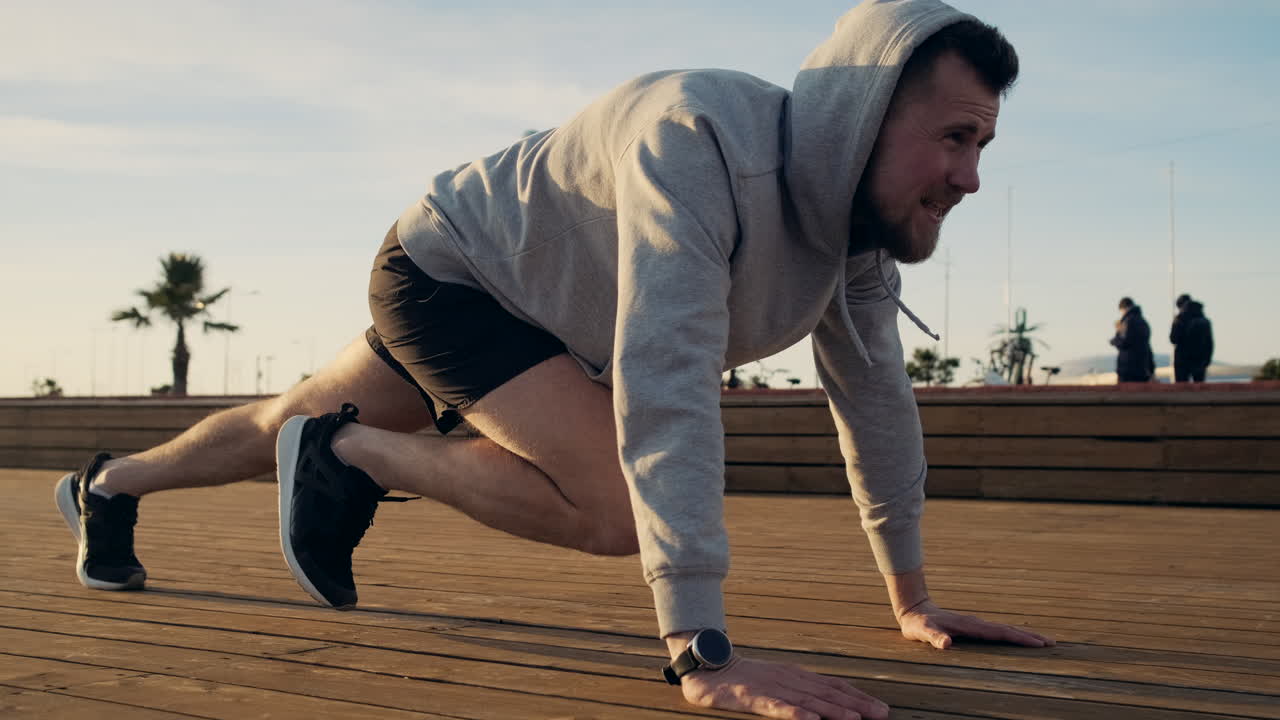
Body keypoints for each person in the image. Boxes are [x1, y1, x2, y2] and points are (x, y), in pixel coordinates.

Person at [57, 2, 1055, 717]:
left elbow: (874, 404)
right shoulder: (700, 140)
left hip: (542, 313)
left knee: (274, 427)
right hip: (450, 273)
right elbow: (666, 382)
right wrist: (699, 651)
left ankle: (108, 486)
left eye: (985, 147)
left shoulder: (857, 242)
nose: (969, 176)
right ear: (864, 118)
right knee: (619, 508)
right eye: (954, 138)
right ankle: (355, 452)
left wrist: (910, 599)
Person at [1170, 293, 1214, 382]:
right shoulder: (1204, 320)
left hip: (1182, 360)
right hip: (1200, 359)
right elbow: (1210, 343)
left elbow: (1173, 339)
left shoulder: (1180, 319)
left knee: (1181, 390)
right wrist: (1207, 360)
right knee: (1199, 390)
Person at [1110, 297, 1155, 383]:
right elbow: (1147, 346)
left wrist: (1114, 340)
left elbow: (1124, 342)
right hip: (1142, 367)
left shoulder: (1127, 322)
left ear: (1124, 308)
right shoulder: (1143, 322)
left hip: (1127, 368)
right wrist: (1151, 368)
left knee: (1125, 395)